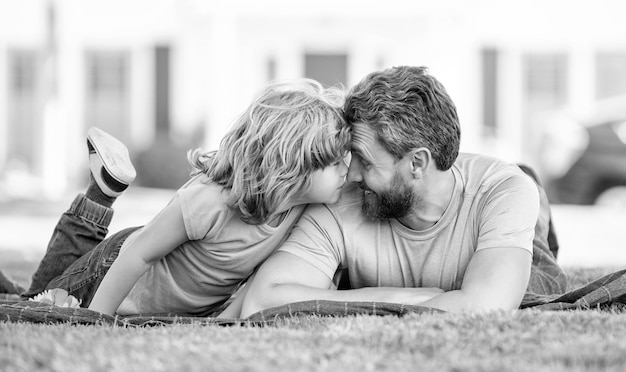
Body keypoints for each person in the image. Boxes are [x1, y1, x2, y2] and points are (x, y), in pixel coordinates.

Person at [240, 66, 567, 317]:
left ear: (416, 163)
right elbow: (261, 300)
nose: (350, 174)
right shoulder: (338, 202)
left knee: (539, 287)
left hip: (502, 209)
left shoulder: (502, 192)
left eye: (365, 161)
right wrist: (394, 297)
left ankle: (534, 196)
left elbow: (487, 307)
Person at [10, 79, 350, 317]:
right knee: (31, 306)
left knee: (22, 298)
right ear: (292, 167)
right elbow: (137, 254)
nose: (347, 169)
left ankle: (102, 190)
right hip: (113, 268)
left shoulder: (300, 209)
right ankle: (99, 196)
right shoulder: (211, 202)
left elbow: (258, 281)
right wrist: (99, 318)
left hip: (156, 287)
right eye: (335, 163)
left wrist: (223, 324)